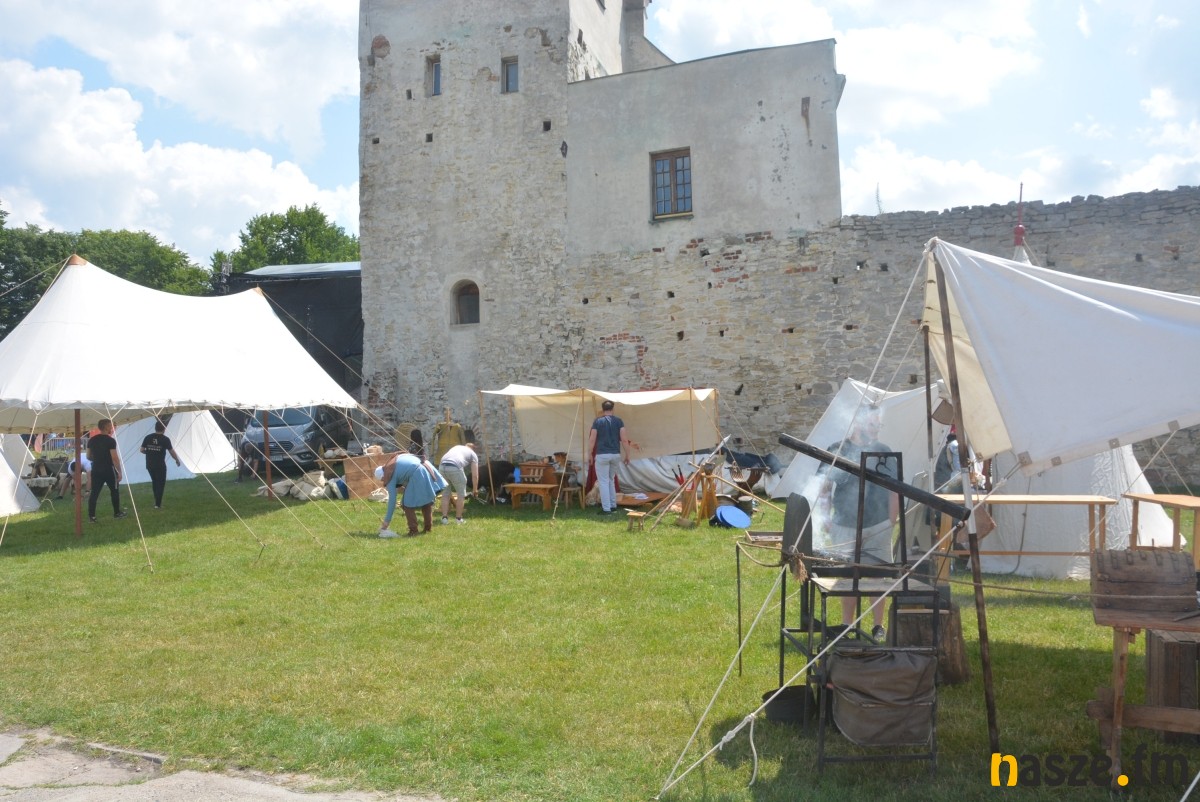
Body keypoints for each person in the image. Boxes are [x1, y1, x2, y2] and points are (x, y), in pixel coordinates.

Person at [816, 405, 899, 641]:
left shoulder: (884, 451)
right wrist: (826, 517)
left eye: (878, 425)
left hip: (878, 524)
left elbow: (895, 489)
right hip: (844, 524)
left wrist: (890, 521)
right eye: (872, 425)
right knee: (847, 576)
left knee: (878, 576)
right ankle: (846, 624)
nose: (876, 430)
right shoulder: (837, 449)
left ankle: (878, 626)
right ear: (858, 423)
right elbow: (824, 487)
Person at [588, 400, 638, 515]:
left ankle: (606, 509)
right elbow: (624, 440)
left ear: (603, 409)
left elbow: (592, 439)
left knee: (603, 481)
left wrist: (589, 453)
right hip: (615, 454)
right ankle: (613, 505)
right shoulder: (619, 421)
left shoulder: (597, 421)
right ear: (613, 409)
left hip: (602, 455)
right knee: (610, 480)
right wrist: (628, 454)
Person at [377, 451, 441, 537]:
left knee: (407, 504)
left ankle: (413, 531)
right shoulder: (393, 464)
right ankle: (428, 528)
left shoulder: (389, 474)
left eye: (382, 479)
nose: (383, 481)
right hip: (425, 467)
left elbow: (392, 500)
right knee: (426, 501)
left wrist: (387, 521)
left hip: (417, 472)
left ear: (383, 476)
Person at [86, 419, 125, 522]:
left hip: (96, 469)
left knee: (94, 492)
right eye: (110, 426)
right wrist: (119, 471)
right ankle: (117, 513)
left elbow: (88, 456)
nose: (112, 428)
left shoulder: (92, 440)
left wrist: (97, 459)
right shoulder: (110, 441)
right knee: (114, 490)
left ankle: (92, 517)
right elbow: (114, 458)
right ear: (106, 427)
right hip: (108, 469)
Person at [140, 420, 182, 509]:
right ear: (164, 429)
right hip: (160, 465)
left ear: (155, 428)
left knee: (155, 482)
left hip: (149, 464)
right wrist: (177, 460)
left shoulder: (148, 437)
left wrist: (149, 452)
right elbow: (171, 451)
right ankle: (158, 504)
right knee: (160, 484)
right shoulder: (165, 439)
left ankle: (156, 501)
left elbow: (142, 450)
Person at [438, 442, 479, 525]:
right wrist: (475, 490)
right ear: (473, 449)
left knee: (445, 494)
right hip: (455, 467)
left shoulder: (457, 447)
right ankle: (458, 519)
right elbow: (475, 475)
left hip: (442, 466)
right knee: (461, 495)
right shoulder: (473, 454)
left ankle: (444, 519)